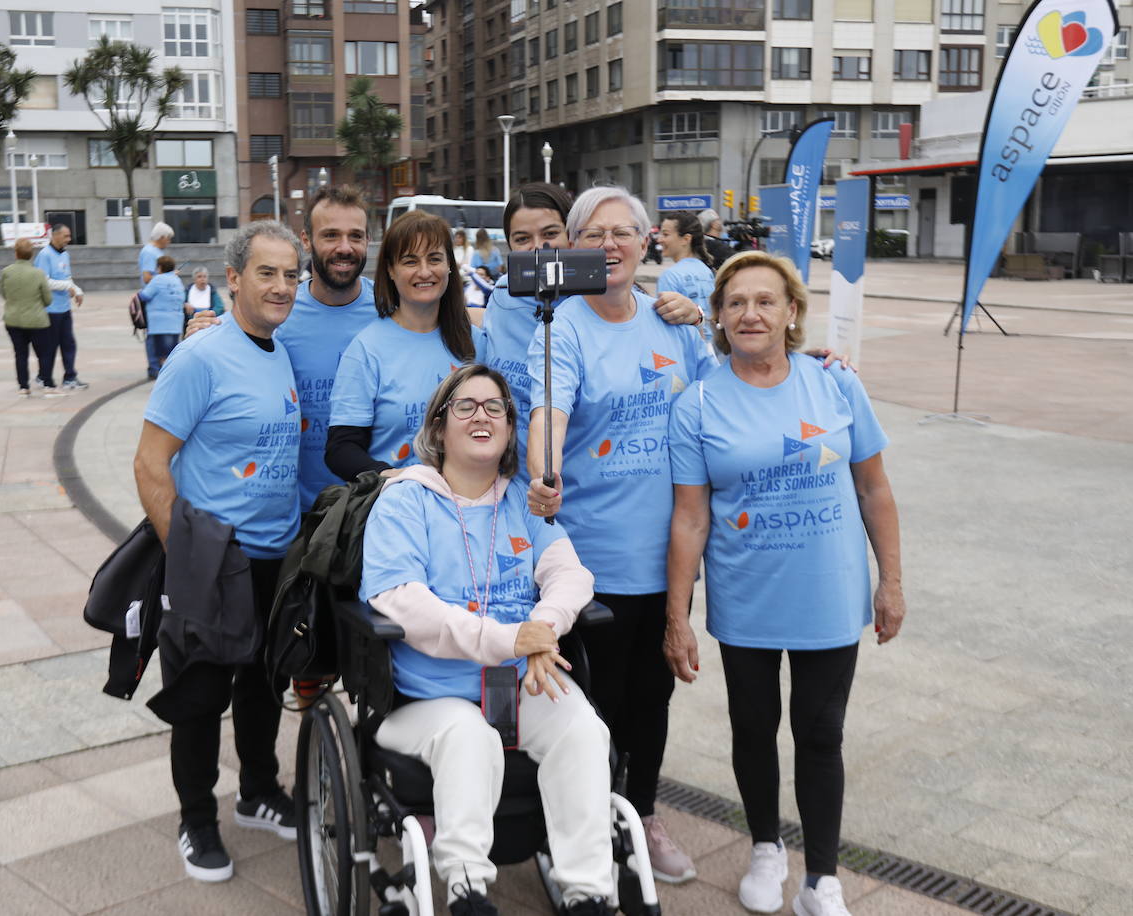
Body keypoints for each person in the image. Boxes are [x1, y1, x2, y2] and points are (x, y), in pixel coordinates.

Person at [664, 251, 905, 916]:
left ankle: (821, 878)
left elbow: (874, 487)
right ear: (717, 316)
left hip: (828, 592)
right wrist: (677, 615)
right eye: (735, 302)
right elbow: (689, 519)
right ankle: (767, 848)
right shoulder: (699, 403)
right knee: (753, 727)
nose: (750, 313)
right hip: (748, 595)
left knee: (821, 732)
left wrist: (892, 583)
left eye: (765, 301)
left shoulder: (835, 384)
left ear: (792, 312)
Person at [362, 364, 615, 916]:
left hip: (513, 683)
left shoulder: (526, 500)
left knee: (582, 728)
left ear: (508, 427)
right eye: (465, 406)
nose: (482, 415)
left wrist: (543, 628)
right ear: (438, 426)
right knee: (468, 734)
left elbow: (571, 575)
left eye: (494, 406)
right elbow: (401, 599)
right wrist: (507, 638)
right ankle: (466, 889)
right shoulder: (405, 500)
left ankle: (588, 892)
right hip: (427, 697)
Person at [525, 186, 717, 885]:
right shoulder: (559, 327)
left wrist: (709, 323)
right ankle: (579, 828)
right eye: (595, 233)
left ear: (647, 244)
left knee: (652, 698)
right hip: (591, 558)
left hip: (665, 556)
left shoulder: (674, 322)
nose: (611, 244)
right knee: (589, 710)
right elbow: (548, 413)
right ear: (574, 246)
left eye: (625, 232)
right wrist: (543, 471)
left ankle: (642, 813)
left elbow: (719, 405)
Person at [133, 221, 305, 884]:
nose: (282, 286)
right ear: (233, 279)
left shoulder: (276, 349)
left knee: (265, 685)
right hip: (214, 559)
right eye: (268, 273)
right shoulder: (199, 357)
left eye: (291, 274)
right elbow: (150, 465)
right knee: (200, 697)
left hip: (273, 559)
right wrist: (190, 559)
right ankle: (197, 821)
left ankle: (259, 790)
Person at [183, 186, 380, 513]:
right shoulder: (277, 311)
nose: (344, 247)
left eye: (355, 236)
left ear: (367, 241)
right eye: (330, 235)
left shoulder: (391, 311)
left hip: (373, 511)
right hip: (295, 517)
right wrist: (202, 335)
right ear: (306, 241)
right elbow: (230, 345)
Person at [485, 183, 706, 470]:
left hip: (575, 472)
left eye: (551, 233)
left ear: (572, 237)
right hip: (512, 474)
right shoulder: (503, 296)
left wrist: (695, 316)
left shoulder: (604, 302)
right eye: (522, 238)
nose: (539, 246)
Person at [327, 210, 486, 480]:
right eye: (410, 261)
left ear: (450, 264)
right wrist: (398, 478)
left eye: (434, 259)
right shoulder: (366, 350)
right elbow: (341, 449)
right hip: (397, 510)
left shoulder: (477, 343)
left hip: (470, 509)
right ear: (390, 269)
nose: (424, 271)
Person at [0, 237, 60, 397]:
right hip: (37, 320)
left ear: (16, 254)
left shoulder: (6, 272)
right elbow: (48, 300)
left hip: (13, 319)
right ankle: (47, 382)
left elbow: (4, 294)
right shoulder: (38, 274)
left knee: (20, 354)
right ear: (31, 254)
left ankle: (23, 386)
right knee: (44, 353)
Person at [33, 224, 88, 390]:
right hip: (50, 309)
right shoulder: (45, 255)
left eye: (69, 236)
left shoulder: (65, 255)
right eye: (65, 236)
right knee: (50, 346)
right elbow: (44, 281)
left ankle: (70, 377)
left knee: (68, 344)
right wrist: (66, 287)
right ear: (55, 236)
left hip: (64, 308)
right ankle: (44, 376)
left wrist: (77, 291)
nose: (68, 239)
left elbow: (67, 278)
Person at [657, 211, 717, 316]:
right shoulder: (707, 271)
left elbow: (664, 325)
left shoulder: (670, 276)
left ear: (686, 239)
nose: (659, 239)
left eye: (665, 234)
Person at [139, 222, 176, 379]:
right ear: (161, 237)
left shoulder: (155, 251)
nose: (169, 242)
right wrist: (167, 276)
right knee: (154, 336)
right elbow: (147, 277)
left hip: (162, 302)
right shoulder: (149, 252)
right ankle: (154, 367)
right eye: (168, 239)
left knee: (159, 336)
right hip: (154, 301)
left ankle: (158, 365)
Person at [137, 255, 187, 370]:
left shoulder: (157, 279)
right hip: (176, 322)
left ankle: (157, 372)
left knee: (160, 354)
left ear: (160, 267)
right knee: (172, 352)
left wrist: (139, 292)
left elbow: (145, 296)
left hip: (159, 323)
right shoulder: (177, 280)